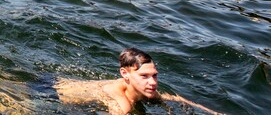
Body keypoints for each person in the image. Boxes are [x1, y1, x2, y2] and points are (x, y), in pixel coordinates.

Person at [55, 47, 222, 115]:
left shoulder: (147, 91)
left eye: (154, 75)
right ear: (125, 74)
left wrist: (214, 113)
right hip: (49, 92)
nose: (152, 82)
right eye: (144, 76)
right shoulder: (121, 105)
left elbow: (175, 99)